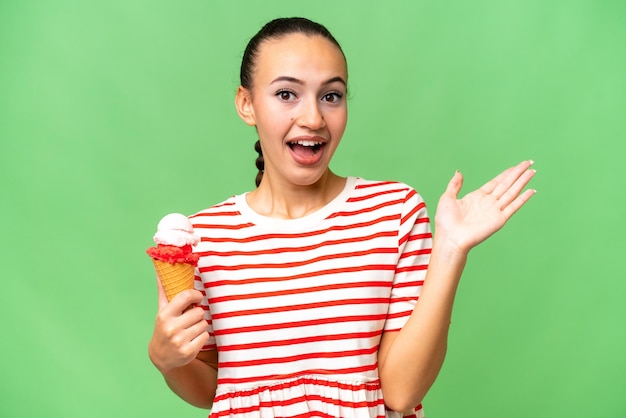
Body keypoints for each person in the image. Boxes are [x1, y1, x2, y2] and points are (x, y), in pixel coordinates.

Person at [148, 17, 536, 418]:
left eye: (331, 96)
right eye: (286, 94)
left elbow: (401, 394)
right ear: (246, 104)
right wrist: (167, 360)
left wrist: (450, 250)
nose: (314, 118)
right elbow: (216, 390)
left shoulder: (394, 213)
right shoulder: (202, 239)